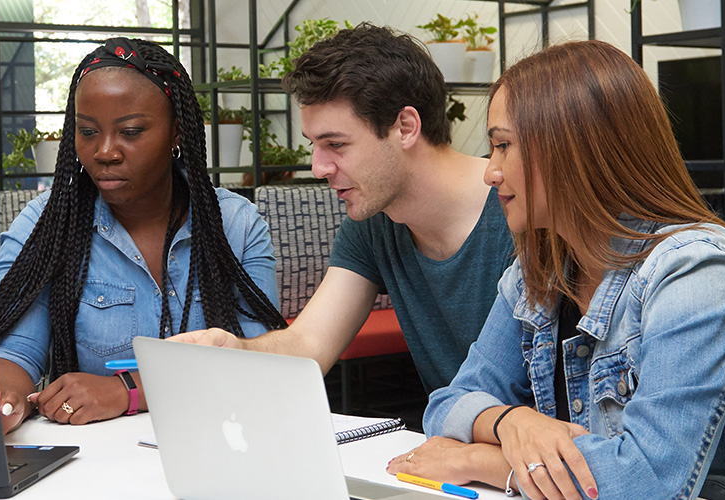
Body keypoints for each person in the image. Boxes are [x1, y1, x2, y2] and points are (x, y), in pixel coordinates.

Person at [394, 41, 725, 500]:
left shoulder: (695, 270)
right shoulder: (537, 269)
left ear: (575, 148)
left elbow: (649, 481)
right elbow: (448, 404)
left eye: (502, 146)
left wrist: (483, 462)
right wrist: (513, 421)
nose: (490, 171)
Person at [171, 23, 513, 395]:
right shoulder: (374, 222)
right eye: (315, 145)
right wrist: (237, 350)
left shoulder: (522, 211)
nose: (319, 168)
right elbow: (310, 344)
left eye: (335, 144)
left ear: (405, 127)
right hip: (457, 436)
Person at [0, 38, 286, 431]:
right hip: (100, 462)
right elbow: (16, 349)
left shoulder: (236, 224)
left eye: (130, 131)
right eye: (88, 132)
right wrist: (3, 400)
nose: (105, 151)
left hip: (222, 440)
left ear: (176, 132)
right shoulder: (45, 226)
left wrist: (132, 390)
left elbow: (264, 363)